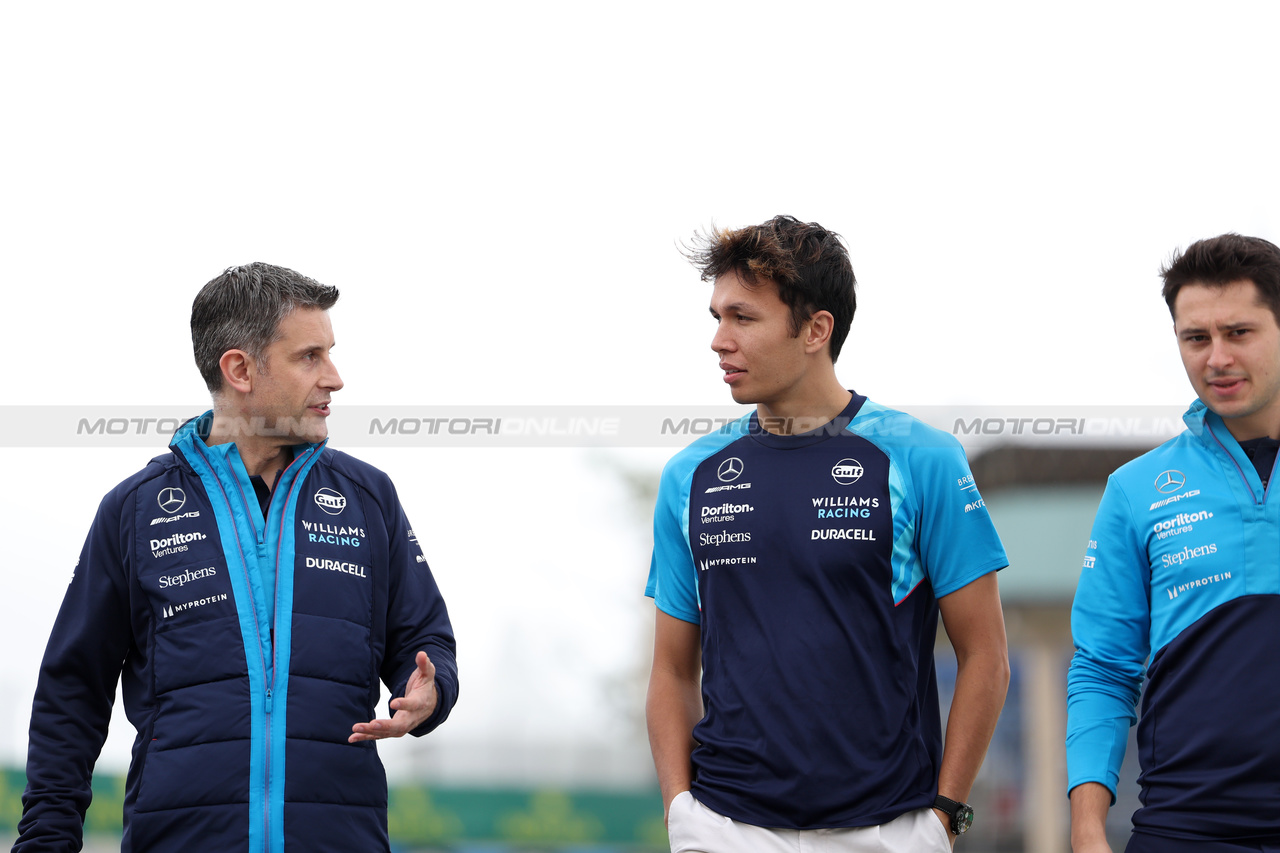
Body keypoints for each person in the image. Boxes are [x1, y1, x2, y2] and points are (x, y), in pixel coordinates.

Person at [13, 263, 458, 853]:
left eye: (331, 353)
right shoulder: (134, 511)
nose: (336, 378)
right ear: (240, 369)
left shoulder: (368, 496)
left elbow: (424, 638)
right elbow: (74, 690)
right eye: (310, 356)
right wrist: (46, 839)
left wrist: (428, 691)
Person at [644, 215, 1010, 852]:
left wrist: (944, 819)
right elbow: (673, 670)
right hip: (725, 828)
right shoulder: (690, 476)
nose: (718, 340)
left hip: (886, 830)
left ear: (816, 329)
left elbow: (987, 656)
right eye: (716, 317)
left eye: (743, 318)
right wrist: (682, 812)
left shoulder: (922, 459)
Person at [1067, 233, 1280, 853]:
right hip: (1187, 828)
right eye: (1196, 338)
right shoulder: (1136, 491)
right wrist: (1086, 830)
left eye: (1239, 333)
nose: (1216, 358)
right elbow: (1103, 668)